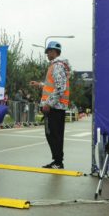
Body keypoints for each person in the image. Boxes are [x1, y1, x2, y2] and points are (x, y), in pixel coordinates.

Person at [30, 41, 71, 169]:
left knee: (53, 135)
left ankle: (58, 162)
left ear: (54, 52)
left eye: (48, 51)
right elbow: (52, 86)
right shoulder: (58, 66)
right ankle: (57, 161)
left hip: (55, 107)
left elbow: (60, 88)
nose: (47, 54)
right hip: (57, 107)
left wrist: (49, 103)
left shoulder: (57, 66)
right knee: (54, 135)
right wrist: (40, 85)